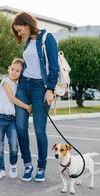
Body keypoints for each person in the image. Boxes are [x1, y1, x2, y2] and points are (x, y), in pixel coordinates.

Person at [11, 12, 59, 182]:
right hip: (24, 86)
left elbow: (54, 66)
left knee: (39, 130)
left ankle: (41, 167)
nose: (19, 34)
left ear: (27, 23)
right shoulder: (27, 43)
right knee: (21, 127)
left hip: (41, 88)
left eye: (19, 29)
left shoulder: (47, 38)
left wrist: (50, 89)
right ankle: (28, 164)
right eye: (17, 31)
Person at [0, 58, 32, 179]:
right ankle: (0, 170)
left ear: (21, 73)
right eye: (13, 69)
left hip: (12, 120)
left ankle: (13, 167)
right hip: (0, 118)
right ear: (9, 68)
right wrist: (27, 107)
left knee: (14, 145)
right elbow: (12, 99)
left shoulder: (19, 85)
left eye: (18, 71)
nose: (14, 72)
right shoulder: (5, 81)